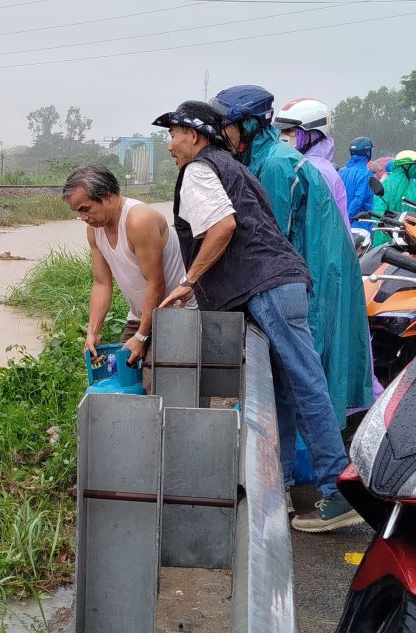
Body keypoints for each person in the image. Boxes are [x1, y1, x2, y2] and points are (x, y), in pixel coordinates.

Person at [153, 100, 362, 532]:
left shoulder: (198, 170)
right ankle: (279, 485)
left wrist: (190, 281)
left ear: (193, 135)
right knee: (285, 388)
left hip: (265, 286)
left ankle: (339, 488)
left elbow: (223, 227)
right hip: (281, 283)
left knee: (304, 383)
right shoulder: (237, 167)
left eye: (172, 134)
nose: (170, 144)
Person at [210, 85, 373, 431]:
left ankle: (322, 470)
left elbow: (270, 239)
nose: (221, 134)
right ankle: (301, 464)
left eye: (226, 126)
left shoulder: (273, 165)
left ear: (250, 126)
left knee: (304, 368)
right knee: (301, 369)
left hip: (312, 268)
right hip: (311, 262)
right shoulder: (264, 159)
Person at [63, 164, 193, 369]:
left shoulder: (139, 220)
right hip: (141, 315)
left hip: (176, 314)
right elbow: (101, 283)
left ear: (107, 197)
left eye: (85, 209)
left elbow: (156, 284)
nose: (83, 217)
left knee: (156, 383)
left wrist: (141, 337)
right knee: (119, 374)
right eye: (78, 212)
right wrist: (92, 333)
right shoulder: (94, 230)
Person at [273, 98, 349, 233]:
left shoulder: (317, 171)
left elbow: (322, 228)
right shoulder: (299, 164)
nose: (282, 136)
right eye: (281, 131)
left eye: (289, 130)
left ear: (312, 133)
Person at [339, 136, 375, 229]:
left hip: (340, 222)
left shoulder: (341, 171)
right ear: (367, 152)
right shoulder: (366, 173)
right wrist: (348, 218)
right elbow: (359, 199)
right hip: (359, 222)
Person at [374, 150, 416, 217]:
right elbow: (379, 207)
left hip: (410, 225)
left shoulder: (412, 184)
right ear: (406, 165)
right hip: (392, 225)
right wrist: (379, 225)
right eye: (415, 166)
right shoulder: (389, 183)